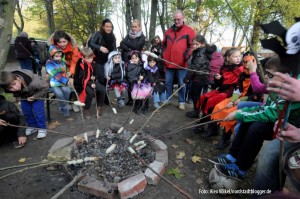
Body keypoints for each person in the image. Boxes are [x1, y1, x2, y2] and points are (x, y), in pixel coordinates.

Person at [209, 56, 300, 185]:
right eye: (265, 74)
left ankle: (241, 168)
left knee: (256, 127)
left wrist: (240, 114)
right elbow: (268, 106)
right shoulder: (277, 84)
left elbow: (272, 113)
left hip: (285, 126)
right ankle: (232, 157)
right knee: (248, 120)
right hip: (275, 118)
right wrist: (243, 113)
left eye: (269, 75)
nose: (266, 78)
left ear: (286, 75)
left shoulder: (291, 89)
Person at [210, 53, 263, 149]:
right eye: (245, 62)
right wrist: (232, 100)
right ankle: (214, 129)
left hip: (249, 101)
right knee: (219, 106)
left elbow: (257, 95)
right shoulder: (242, 75)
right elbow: (237, 89)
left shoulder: (258, 77)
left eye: (249, 62)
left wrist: (242, 99)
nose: (246, 64)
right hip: (237, 98)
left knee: (229, 113)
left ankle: (225, 139)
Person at [191, 48, 243, 134]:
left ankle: (213, 128)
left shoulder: (241, 69)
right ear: (228, 58)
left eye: (239, 56)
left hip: (232, 93)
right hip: (223, 90)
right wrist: (218, 79)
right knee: (204, 97)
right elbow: (220, 83)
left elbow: (237, 84)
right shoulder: (225, 68)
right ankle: (202, 124)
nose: (238, 58)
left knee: (212, 102)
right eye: (235, 56)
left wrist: (222, 80)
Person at [161, 10, 196, 110]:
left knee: (181, 83)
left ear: (183, 18)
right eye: (175, 19)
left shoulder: (189, 31)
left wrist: (186, 56)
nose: (176, 21)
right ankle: (168, 99)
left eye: (178, 19)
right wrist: (163, 54)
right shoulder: (168, 31)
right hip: (168, 63)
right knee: (168, 82)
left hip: (181, 64)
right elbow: (163, 44)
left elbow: (192, 46)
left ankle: (181, 101)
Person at [0, 70, 49, 139]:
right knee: (26, 111)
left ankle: (42, 128)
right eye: (10, 88)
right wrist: (17, 97)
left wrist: (35, 97)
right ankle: (32, 126)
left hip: (38, 94)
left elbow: (45, 88)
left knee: (38, 112)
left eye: (14, 84)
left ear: (18, 78)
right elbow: (16, 92)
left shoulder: (34, 82)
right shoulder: (12, 85)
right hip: (24, 96)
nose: (15, 88)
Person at [48, 30, 80, 112]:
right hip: (60, 68)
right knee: (65, 86)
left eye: (64, 41)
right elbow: (51, 61)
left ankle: (75, 102)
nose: (62, 44)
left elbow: (74, 61)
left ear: (68, 40)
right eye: (59, 42)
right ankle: (68, 102)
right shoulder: (52, 47)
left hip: (72, 66)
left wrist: (71, 73)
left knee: (74, 83)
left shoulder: (73, 47)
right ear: (56, 42)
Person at [184, 34, 212, 118]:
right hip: (199, 75)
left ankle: (196, 112)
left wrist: (187, 78)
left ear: (202, 44)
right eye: (194, 44)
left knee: (195, 94)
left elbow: (195, 67)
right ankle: (196, 110)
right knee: (194, 94)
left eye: (197, 44)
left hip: (199, 76)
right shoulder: (201, 51)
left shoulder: (200, 53)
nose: (195, 46)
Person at [74, 47, 106, 119]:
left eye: (91, 58)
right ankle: (86, 108)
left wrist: (94, 78)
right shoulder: (80, 64)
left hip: (91, 81)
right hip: (82, 83)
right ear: (83, 57)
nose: (90, 60)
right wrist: (90, 84)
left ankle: (99, 107)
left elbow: (95, 73)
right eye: (88, 58)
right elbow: (80, 78)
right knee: (90, 93)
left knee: (102, 89)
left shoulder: (93, 63)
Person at [120, 19, 146, 105]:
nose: (134, 28)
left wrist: (128, 46)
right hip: (127, 60)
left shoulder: (142, 37)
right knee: (129, 79)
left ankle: (139, 98)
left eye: (136, 26)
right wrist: (129, 49)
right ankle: (130, 99)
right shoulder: (128, 35)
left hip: (137, 61)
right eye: (132, 26)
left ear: (139, 27)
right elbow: (121, 43)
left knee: (137, 79)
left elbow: (137, 46)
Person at [46, 45, 72, 117]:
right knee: (59, 94)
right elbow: (55, 74)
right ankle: (64, 107)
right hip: (54, 83)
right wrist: (65, 81)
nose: (59, 58)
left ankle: (62, 105)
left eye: (60, 56)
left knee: (68, 91)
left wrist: (67, 74)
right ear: (52, 55)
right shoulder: (49, 63)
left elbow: (64, 71)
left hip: (63, 82)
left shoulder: (62, 62)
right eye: (56, 56)